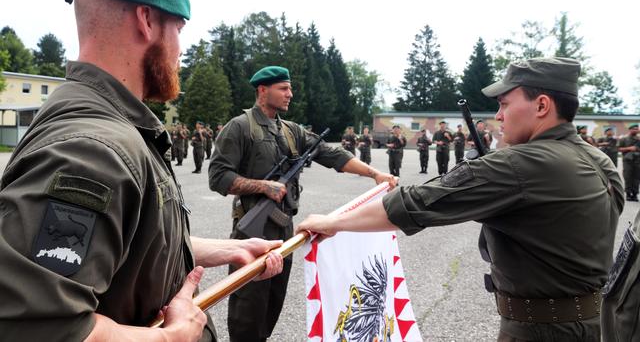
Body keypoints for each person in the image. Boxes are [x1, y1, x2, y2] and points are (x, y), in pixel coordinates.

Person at [0, 0, 285, 342]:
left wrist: (229, 249)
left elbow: (131, 241)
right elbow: (38, 327)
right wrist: (171, 338)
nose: (181, 50)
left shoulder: (109, 125)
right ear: (147, 20)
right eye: (180, 30)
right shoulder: (93, 150)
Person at [298, 57, 624, 342]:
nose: (498, 116)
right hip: (594, 323)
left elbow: (417, 202)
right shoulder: (599, 160)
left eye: (506, 104)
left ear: (541, 106)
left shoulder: (518, 164)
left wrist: (333, 223)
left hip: (539, 329)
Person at [208, 66, 396, 342]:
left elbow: (331, 154)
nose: (290, 94)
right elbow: (218, 176)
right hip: (252, 229)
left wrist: (374, 173)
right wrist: (263, 186)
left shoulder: (290, 130)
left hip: (284, 229)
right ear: (263, 90)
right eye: (283, 88)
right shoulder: (241, 127)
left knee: (274, 299)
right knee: (249, 304)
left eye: (290, 88)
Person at [618, 123, 640, 201]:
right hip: (627, 161)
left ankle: (635, 194)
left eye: (637, 129)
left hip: (637, 160)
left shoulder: (639, 140)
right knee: (628, 176)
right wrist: (629, 148)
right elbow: (619, 149)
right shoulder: (624, 139)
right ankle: (628, 193)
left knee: (637, 177)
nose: (636, 130)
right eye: (634, 129)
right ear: (630, 129)